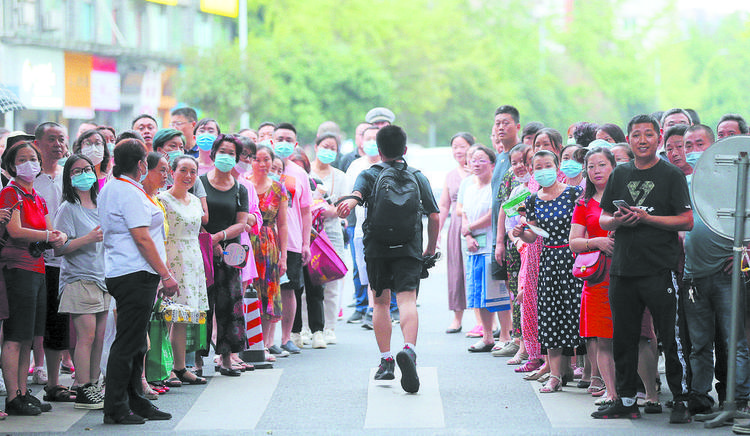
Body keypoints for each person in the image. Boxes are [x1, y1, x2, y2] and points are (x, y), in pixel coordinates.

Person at [594, 114, 692, 423]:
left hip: (659, 269)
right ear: (629, 138)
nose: (642, 140)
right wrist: (619, 221)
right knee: (623, 336)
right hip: (623, 269)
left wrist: (647, 218)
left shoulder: (671, 175)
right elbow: (603, 218)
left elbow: (686, 220)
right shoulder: (620, 173)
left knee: (670, 337)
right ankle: (625, 399)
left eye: (648, 134)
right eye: (636, 135)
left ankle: (681, 399)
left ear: (658, 137)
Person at [337, 125, 439, 394]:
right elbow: (435, 215)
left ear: (378, 151)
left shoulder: (369, 174)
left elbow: (356, 197)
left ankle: (386, 361)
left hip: (377, 248)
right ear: (404, 150)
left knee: (380, 302)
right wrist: (430, 248)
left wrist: (349, 202)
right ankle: (409, 350)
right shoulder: (417, 176)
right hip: (409, 247)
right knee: (407, 299)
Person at [99, 138, 177, 424]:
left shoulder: (121, 188)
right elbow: (142, 238)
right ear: (141, 164)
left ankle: (135, 400)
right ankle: (116, 407)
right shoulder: (126, 191)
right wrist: (166, 275)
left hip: (134, 271)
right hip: (133, 272)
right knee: (128, 342)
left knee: (137, 342)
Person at [0, 141, 66, 415]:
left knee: (29, 336)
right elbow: (15, 231)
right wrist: (50, 236)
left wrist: (55, 236)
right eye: (22, 159)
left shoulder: (36, 196)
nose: (30, 163)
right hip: (17, 267)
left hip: (38, 267)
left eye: (33, 158)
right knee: (16, 336)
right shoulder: (10, 192)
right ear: (11, 165)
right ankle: (13, 396)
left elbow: (50, 229)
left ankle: (25, 392)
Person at [513, 150, 583, 394]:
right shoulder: (532, 200)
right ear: (533, 171)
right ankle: (555, 374)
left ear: (557, 167)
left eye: (548, 165)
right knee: (551, 315)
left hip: (574, 257)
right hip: (549, 260)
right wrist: (522, 233)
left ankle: (588, 372)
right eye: (538, 166)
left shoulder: (574, 193)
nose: (544, 170)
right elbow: (534, 235)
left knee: (576, 314)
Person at [54, 154, 110, 409]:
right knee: (86, 336)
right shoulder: (68, 208)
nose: (84, 174)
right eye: (77, 171)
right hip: (79, 278)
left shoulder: (101, 204)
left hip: (103, 278)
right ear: (69, 177)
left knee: (99, 336)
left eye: (87, 169)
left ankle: (93, 383)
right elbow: (59, 248)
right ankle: (83, 385)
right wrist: (87, 238)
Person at [569, 146, 617, 405]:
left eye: (602, 165)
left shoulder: (624, 197)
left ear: (613, 166)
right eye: (591, 166)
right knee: (602, 337)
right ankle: (611, 391)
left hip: (628, 272)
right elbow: (573, 242)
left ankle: (640, 387)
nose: (596, 171)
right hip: (598, 278)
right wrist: (596, 241)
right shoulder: (584, 203)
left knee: (637, 333)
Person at [199, 134, 250, 375]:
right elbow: (193, 216)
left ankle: (227, 358)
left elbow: (242, 223)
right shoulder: (199, 183)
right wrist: (209, 241)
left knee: (231, 303)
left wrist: (218, 237)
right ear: (214, 153)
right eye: (223, 151)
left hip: (233, 250)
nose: (227, 157)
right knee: (203, 304)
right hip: (202, 251)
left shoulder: (240, 188)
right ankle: (197, 361)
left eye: (232, 153)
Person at [157, 155, 208, 385]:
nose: (188, 176)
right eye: (183, 170)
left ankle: (180, 366)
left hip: (193, 259)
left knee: (184, 316)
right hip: (172, 257)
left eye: (193, 172)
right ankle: (163, 368)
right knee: (166, 315)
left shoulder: (196, 201)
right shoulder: (162, 200)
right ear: (172, 172)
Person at [32, 122, 71, 402]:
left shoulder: (70, 175)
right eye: (51, 139)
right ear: (38, 143)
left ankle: (55, 383)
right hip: (33, 259)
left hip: (65, 261)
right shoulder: (27, 179)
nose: (57, 144)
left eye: (61, 139)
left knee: (58, 322)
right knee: (31, 322)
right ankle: (27, 376)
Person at [462, 145, 511, 353]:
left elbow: (493, 214)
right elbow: (464, 213)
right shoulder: (470, 188)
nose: (476, 164)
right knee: (477, 294)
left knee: (497, 293)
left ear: (492, 164)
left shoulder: (495, 187)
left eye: (482, 160)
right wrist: (467, 235)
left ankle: (506, 335)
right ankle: (487, 335)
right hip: (474, 247)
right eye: (473, 160)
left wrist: (470, 228)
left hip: (489, 246)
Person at [272, 123, 312, 356]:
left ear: (295, 145)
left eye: (289, 139)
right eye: (280, 138)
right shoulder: (260, 169)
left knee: (289, 290)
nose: (284, 143)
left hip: (293, 241)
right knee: (262, 290)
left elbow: (306, 211)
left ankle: (286, 337)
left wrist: (306, 243)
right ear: (271, 141)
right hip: (265, 239)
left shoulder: (299, 174)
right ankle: (263, 339)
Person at [248, 145, 288, 362]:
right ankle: (246, 342)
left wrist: (283, 256)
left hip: (269, 245)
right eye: (257, 159)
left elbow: (283, 225)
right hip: (246, 242)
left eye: (266, 160)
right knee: (246, 292)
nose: (262, 164)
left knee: (267, 293)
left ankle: (263, 344)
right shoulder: (243, 184)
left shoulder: (278, 188)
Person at [309, 133, 349, 345]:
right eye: (325, 146)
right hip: (310, 233)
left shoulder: (340, 176)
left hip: (332, 232)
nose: (328, 151)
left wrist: (330, 210)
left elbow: (344, 208)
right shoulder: (305, 172)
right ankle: (308, 326)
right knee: (309, 279)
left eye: (333, 148)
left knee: (333, 278)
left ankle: (330, 327)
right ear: (316, 147)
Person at [437, 132, 473, 333]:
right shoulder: (450, 176)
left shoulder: (479, 171)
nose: (459, 151)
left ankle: (486, 321)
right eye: (455, 147)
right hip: (455, 228)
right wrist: (437, 233)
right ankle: (457, 317)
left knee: (476, 272)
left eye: (463, 146)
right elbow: (443, 205)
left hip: (476, 225)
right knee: (456, 273)